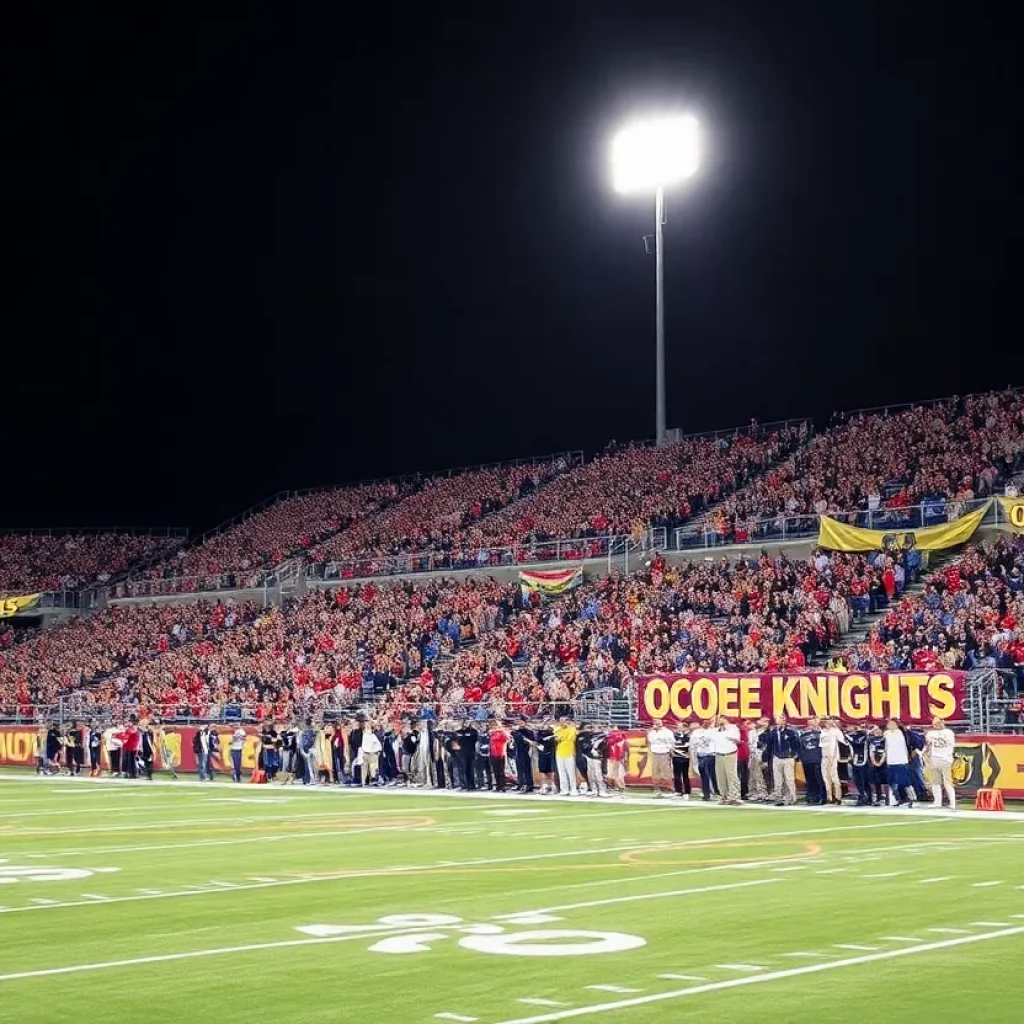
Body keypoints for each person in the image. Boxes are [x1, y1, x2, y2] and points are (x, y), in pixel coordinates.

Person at [763, 714, 800, 806]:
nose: (778, 721)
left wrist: (794, 754)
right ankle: (780, 797)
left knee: (789, 778)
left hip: (788, 758)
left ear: (784, 721)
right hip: (777, 758)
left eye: (780, 719)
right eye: (777, 720)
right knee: (778, 779)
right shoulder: (774, 732)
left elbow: (797, 744)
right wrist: (766, 758)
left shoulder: (790, 732)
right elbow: (769, 746)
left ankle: (791, 797)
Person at [924, 715, 957, 809]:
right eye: (935, 723)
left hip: (946, 759)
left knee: (947, 782)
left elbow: (951, 745)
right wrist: (926, 755)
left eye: (938, 722)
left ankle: (952, 802)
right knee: (935, 782)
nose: (936, 725)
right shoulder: (930, 734)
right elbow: (928, 745)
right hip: (935, 759)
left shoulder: (949, 732)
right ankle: (937, 801)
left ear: (943, 722)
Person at [883, 718, 916, 808]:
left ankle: (911, 798)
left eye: (892, 723)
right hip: (890, 761)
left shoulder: (903, 733)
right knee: (892, 782)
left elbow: (914, 742)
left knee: (904, 781)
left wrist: (911, 755)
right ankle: (899, 799)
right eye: (889, 723)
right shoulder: (886, 734)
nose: (889, 725)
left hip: (901, 761)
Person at [711, 715, 742, 805]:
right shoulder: (716, 730)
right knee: (720, 775)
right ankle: (723, 796)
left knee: (731, 775)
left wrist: (725, 735)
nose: (718, 720)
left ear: (725, 719)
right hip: (719, 754)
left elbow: (737, 739)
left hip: (730, 753)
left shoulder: (733, 728)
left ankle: (734, 796)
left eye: (720, 718)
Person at [645, 717, 675, 798]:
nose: (656, 724)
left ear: (662, 723)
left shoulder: (667, 732)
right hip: (655, 753)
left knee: (666, 771)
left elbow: (672, 742)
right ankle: (656, 787)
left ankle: (669, 788)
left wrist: (670, 752)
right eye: (655, 723)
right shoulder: (651, 733)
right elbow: (648, 742)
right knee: (655, 771)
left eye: (658, 723)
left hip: (664, 753)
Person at [798, 717, 825, 805]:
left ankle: (822, 796)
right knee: (809, 780)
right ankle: (811, 796)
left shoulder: (822, 733)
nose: (811, 725)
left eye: (813, 722)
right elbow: (800, 747)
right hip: (806, 760)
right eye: (810, 723)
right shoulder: (803, 735)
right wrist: (801, 757)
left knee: (819, 779)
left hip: (818, 759)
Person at [819, 717, 845, 805]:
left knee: (834, 778)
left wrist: (837, 728)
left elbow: (843, 741)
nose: (827, 723)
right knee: (826, 778)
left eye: (828, 721)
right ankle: (830, 797)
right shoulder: (821, 732)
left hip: (833, 757)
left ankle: (838, 797)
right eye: (825, 721)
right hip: (824, 757)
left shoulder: (835, 731)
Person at [689, 720, 718, 801]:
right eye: (705, 722)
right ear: (702, 723)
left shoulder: (714, 731)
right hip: (701, 755)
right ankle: (706, 794)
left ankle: (716, 792)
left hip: (712, 755)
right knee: (704, 776)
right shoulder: (696, 732)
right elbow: (692, 745)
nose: (707, 723)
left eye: (708, 722)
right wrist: (694, 757)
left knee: (714, 775)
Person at [553, 715, 579, 796]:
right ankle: (564, 789)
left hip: (569, 752)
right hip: (559, 752)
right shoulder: (558, 730)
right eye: (561, 721)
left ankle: (573, 789)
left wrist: (569, 726)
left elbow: (572, 737)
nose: (562, 723)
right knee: (562, 772)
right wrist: (559, 729)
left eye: (564, 721)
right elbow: (556, 738)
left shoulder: (572, 729)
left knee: (571, 772)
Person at [512, 718, 536, 793]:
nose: (520, 723)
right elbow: (515, 738)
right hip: (517, 750)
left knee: (526, 769)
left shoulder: (528, 731)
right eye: (519, 722)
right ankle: (520, 784)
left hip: (525, 751)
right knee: (519, 769)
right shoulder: (516, 732)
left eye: (521, 722)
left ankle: (528, 785)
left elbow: (531, 740)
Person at [604, 725, 628, 796]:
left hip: (615, 758)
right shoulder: (614, 740)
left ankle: (619, 787)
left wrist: (624, 758)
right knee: (614, 774)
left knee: (613, 774)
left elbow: (625, 749)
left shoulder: (615, 739)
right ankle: (618, 787)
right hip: (614, 758)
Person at [535, 719, 557, 794]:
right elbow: (537, 740)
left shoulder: (552, 732)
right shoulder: (539, 733)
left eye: (547, 723)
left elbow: (552, 742)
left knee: (550, 771)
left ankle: (552, 786)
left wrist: (545, 740)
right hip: (541, 753)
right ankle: (544, 786)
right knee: (543, 771)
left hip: (549, 753)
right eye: (544, 723)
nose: (544, 724)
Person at [868, 724, 888, 806]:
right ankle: (878, 798)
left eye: (878, 730)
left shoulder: (885, 739)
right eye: (875, 730)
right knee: (876, 781)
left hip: (884, 762)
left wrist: (881, 762)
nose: (877, 731)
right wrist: (874, 761)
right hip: (874, 763)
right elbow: (871, 751)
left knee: (886, 781)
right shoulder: (871, 740)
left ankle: (888, 798)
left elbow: (885, 751)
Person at [489, 720, 510, 793]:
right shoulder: (492, 733)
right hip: (493, 753)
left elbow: (507, 738)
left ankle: (503, 786)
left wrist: (502, 730)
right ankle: (498, 786)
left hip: (501, 753)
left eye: (496, 725)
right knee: (496, 771)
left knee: (501, 771)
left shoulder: (502, 732)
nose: (494, 727)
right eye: (493, 725)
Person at [671, 722, 691, 799]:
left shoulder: (688, 735)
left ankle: (686, 791)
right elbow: (673, 744)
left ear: (684, 727)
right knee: (676, 775)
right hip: (676, 757)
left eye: (679, 726)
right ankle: (678, 791)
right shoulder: (676, 735)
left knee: (685, 775)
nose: (677, 728)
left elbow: (686, 745)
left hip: (685, 758)